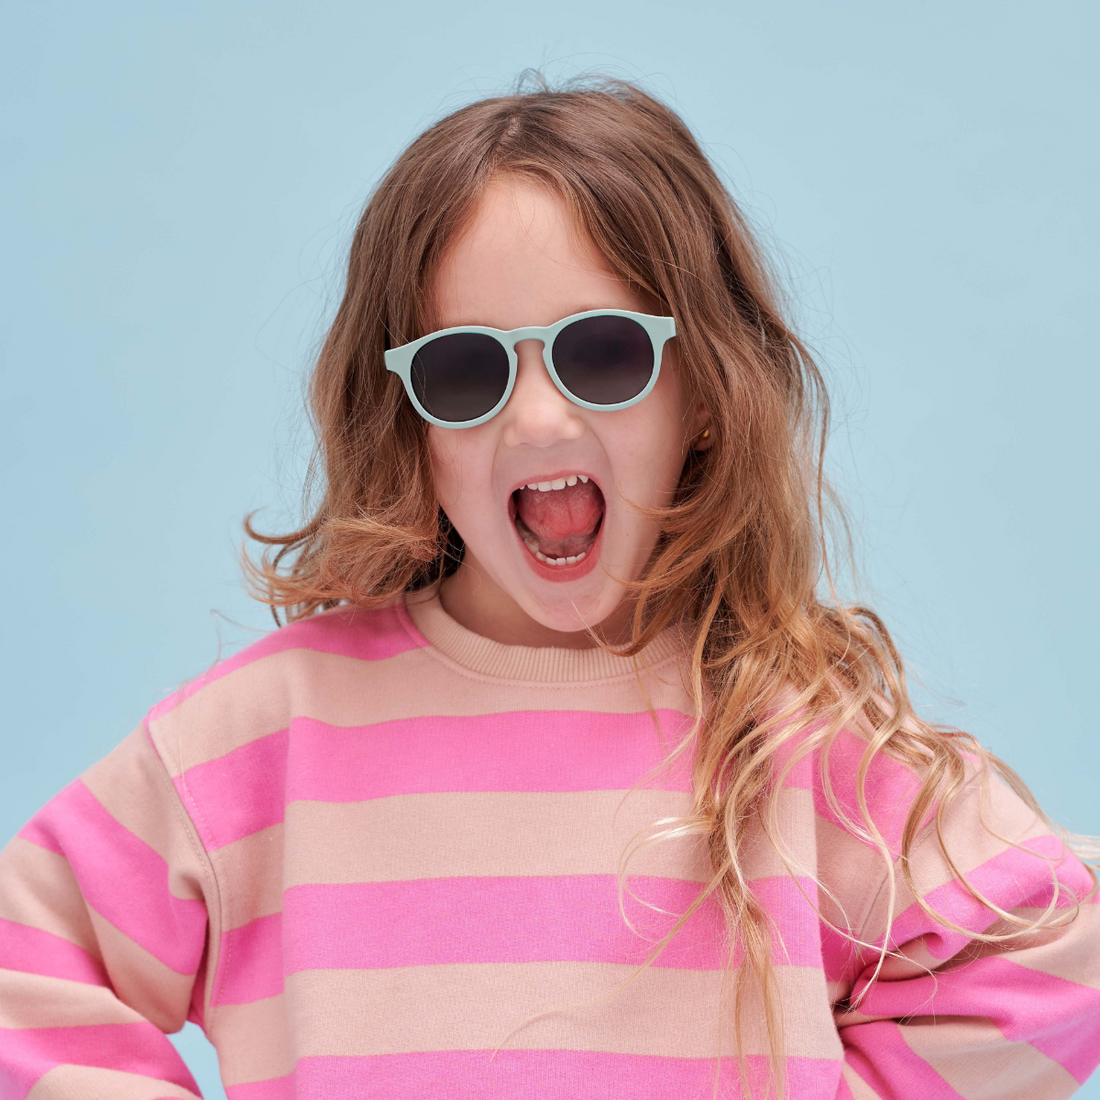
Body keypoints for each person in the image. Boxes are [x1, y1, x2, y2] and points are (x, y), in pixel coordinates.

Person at [1, 76, 1097, 1100]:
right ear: (412, 424)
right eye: (465, 370)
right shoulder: (267, 736)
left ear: (705, 395)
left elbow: (1056, 945)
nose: (535, 419)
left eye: (603, 354)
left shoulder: (795, 736)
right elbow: (22, 966)